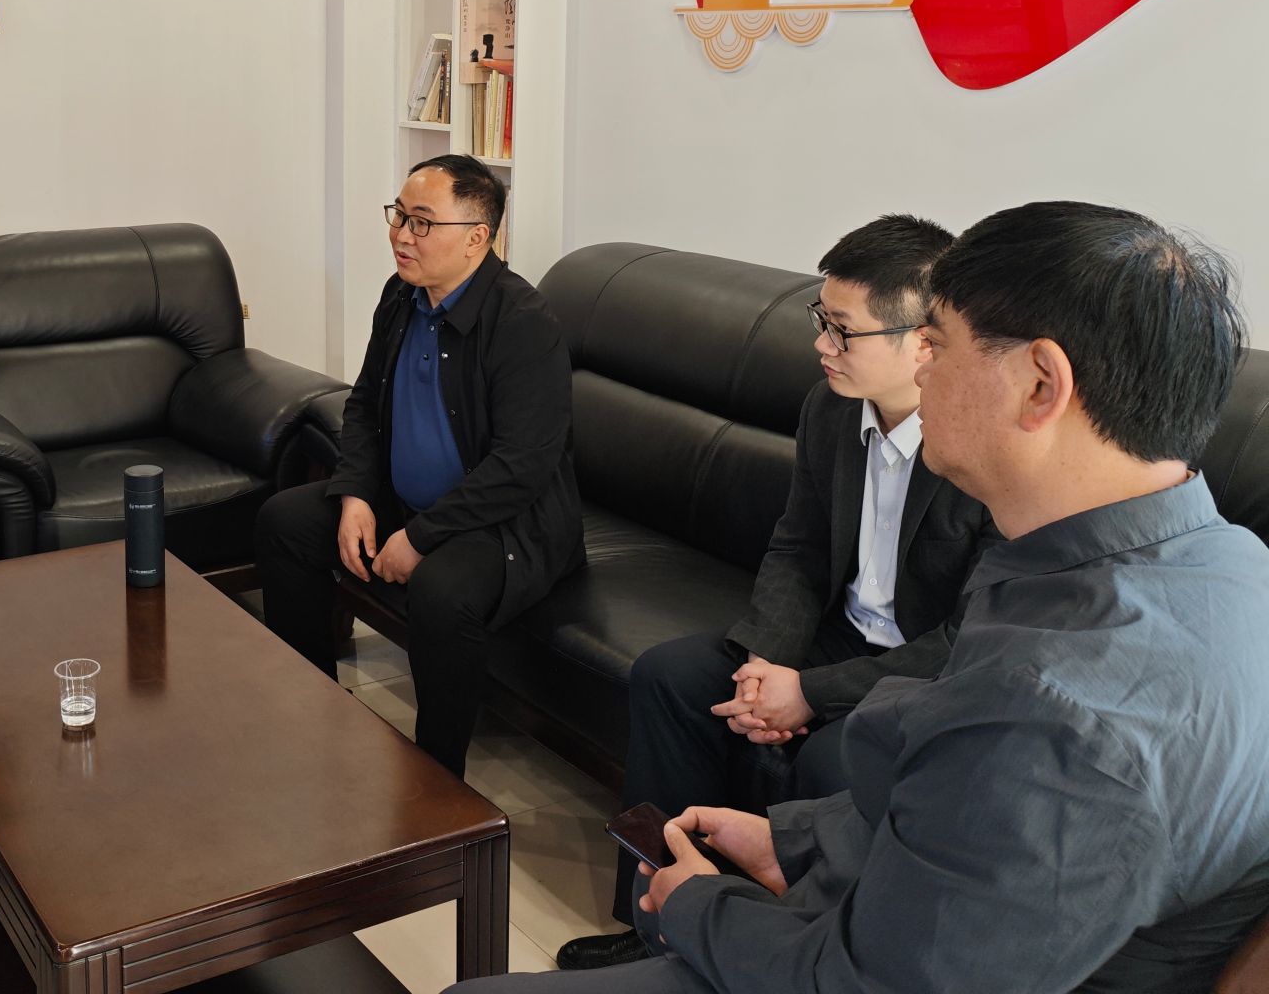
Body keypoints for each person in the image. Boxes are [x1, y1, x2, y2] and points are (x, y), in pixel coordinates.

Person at [455, 201, 1269, 993]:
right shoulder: (1228, 565)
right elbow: (954, 812)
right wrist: (796, 841)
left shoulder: (1051, 712)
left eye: (937, 345)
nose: (924, 369)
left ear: (1039, 384)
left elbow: (871, 975)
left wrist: (698, 907)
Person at [558, 215, 994, 971]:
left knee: (833, 755)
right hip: (834, 635)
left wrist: (809, 695)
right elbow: (798, 547)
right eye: (821, 320)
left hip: (924, 673)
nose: (821, 345)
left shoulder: (981, 448)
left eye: (842, 331)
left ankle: (773, 952)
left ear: (924, 341)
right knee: (672, 677)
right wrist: (767, 663)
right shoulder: (831, 409)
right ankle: (654, 926)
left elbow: (966, 639)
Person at [255, 155, 582, 776]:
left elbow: (522, 466)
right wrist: (355, 495)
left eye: (422, 222)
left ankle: (436, 780)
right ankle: (312, 709)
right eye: (399, 216)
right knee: (285, 522)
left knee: (440, 588)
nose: (401, 235)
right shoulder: (402, 296)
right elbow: (363, 403)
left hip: (504, 526)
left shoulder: (523, 323)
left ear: (477, 238)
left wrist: (420, 537)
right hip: (407, 501)